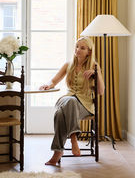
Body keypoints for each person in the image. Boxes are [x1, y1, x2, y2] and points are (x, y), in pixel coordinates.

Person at [39, 36, 104, 166]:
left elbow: (101, 91)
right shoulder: (68, 65)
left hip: (84, 106)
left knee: (59, 114)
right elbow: (54, 80)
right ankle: (74, 139)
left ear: (89, 52)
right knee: (69, 101)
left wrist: (96, 74)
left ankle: (57, 152)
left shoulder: (94, 66)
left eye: (82, 48)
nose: (78, 50)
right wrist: (48, 85)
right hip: (67, 100)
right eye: (77, 46)